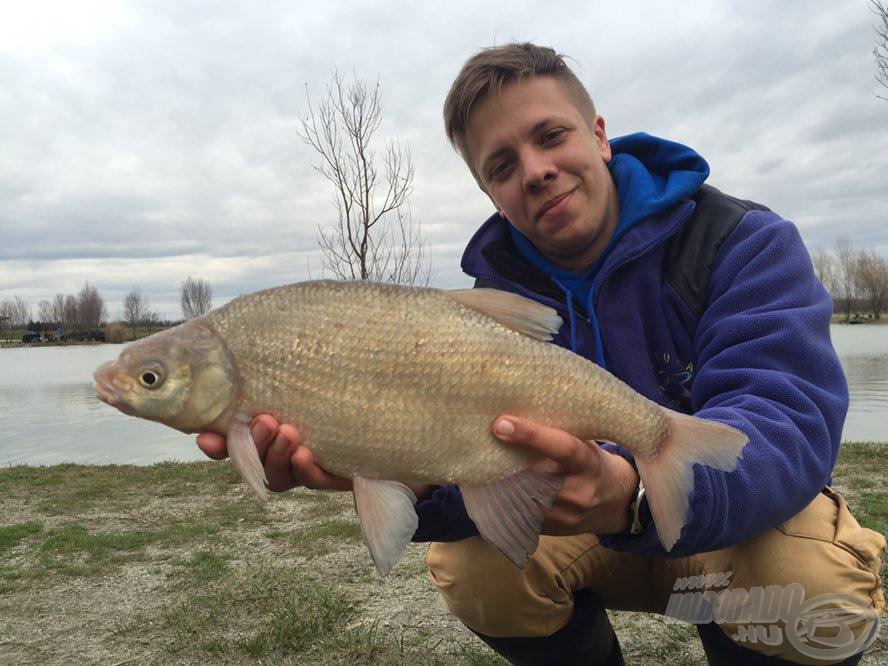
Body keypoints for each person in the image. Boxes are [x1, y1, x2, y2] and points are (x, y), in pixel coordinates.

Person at [197, 43, 885, 665]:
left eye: (550, 136)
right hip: (582, 537)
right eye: (502, 165)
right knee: (474, 571)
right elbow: (481, 491)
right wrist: (391, 470)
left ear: (599, 135)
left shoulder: (741, 242)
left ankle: (734, 633)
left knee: (812, 589)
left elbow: (786, 429)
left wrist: (633, 493)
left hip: (725, 536)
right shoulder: (487, 306)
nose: (535, 171)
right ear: (488, 190)